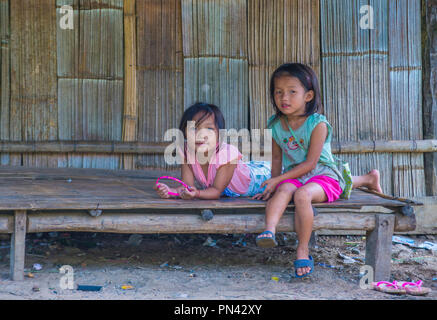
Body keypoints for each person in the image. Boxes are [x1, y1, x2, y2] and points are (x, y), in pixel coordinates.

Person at [253, 63, 382, 278]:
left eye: (292, 92)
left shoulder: (318, 124)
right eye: (278, 92)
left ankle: (302, 249)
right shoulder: (275, 124)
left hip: (323, 173)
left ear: (308, 95)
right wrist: (273, 182)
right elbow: (276, 157)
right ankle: (269, 231)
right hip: (295, 173)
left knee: (303, 195)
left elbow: (311, 164)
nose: (284, 97)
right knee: (283, 190)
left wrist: (279, 180)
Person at [154, 102, 271, 200]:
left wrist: (197, 193)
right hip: (243, 170)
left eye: (209, 129)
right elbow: (187, 187)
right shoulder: (186, 151)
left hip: (260, 177)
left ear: (219, 134)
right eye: (194, 128)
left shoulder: (226, 154)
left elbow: (216, 191)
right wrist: (171, 191)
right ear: (184, 132)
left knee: (282, 178)